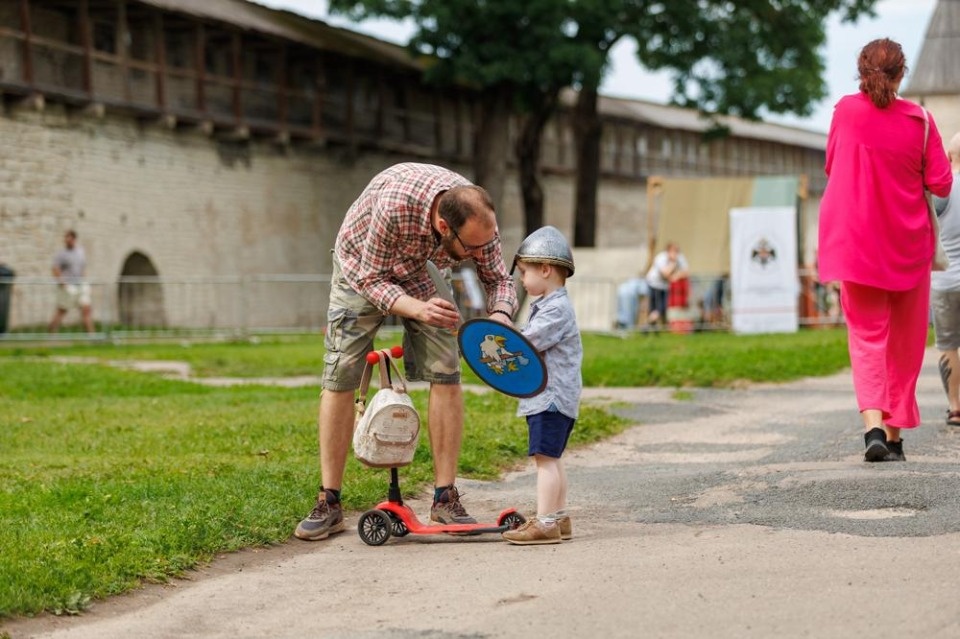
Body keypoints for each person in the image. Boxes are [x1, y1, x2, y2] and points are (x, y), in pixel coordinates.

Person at [294, 163, 518, 541]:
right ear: (444, 227)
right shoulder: (395, 205)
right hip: (361, 266)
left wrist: (500, 315)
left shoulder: (477, 219)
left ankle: (445, 498)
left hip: (421, 270)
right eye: (472, 248)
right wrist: (415, 307)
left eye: (486, 242)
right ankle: (329, 501)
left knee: (447, 367)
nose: (478, 254)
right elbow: (370, 278)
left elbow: (498, 279)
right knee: (341, 372)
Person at [817, 38, 952, 462]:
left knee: (867, 337)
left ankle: (873, 428)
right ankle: (894, 437)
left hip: (856, 244)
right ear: (901, 73)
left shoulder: (845, 112)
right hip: (908, 247)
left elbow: (831, 164)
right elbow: (943, 185)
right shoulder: (921, 120)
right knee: (904, 345)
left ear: (862, 71)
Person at [501, 226, 582, 545]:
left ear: (545, 270)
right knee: (553, 458)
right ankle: (559, 518)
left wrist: (499, 335)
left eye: (524, 272)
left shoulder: (555, 309)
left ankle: (546, 522)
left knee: (545, 461)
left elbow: (526, 343)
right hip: (555, 397)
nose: (521, 279)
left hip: (549, 398)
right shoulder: (551, 305)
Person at [931, 132, 960, 428]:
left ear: (949, 158)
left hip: (944, 282)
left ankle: (955, 408)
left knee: (948, 344)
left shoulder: (942, 191)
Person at [49, 229, 94, 334]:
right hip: (67, 286)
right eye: (65, 238)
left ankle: (91, 335)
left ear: (74, 239)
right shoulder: (61, 254)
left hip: (80, 285)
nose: (66, 241)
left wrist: (85, 282)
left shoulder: (80, 252)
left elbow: (83, 268)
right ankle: (51, 333)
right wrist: (62, 283)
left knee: (86, 309)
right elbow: (55, 269)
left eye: (68, 238)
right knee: (61, 310)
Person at [645, 242, 688, 326]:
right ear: (668, 251)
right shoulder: (660, 258)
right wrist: (673, 264)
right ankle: (649, 325)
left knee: (662, 308)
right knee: (655, 308)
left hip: (664, 286)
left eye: (677, 251)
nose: (675, 254)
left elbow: (686, 272)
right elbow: (665, 273)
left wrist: (676, 276)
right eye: (673, 252)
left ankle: (650, 325)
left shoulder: (679, 257)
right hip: (654, 284)